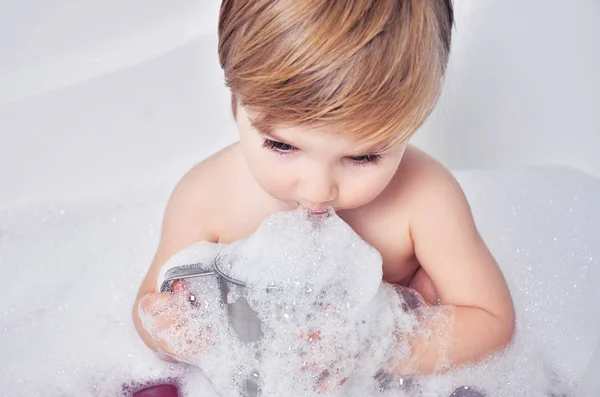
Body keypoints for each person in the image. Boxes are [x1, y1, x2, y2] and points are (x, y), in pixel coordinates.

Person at [132, 0, 515, 389]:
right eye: (282, 147)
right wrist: (171, 330)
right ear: (236, 102)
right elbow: (148, 303)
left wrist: (385, 341)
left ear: (412, 124)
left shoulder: (426, 200)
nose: (318, 190)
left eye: (363, 156)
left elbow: (491, 321)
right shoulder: (207, 196)